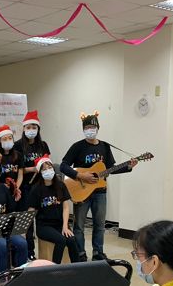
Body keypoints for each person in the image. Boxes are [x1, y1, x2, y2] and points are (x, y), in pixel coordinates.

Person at [60, 111, 138, 261]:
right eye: (87, 127)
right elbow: (63, 166)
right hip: (81, 191)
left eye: (93, 127)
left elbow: (111, 168)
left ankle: (98, 253)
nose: (90, 130)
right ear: (83, 129)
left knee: (100, 225)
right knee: (79, 226)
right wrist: (81, 175)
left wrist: (129, 166)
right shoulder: (77, 147)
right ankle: (80, 253)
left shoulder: (105, 147)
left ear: (98, 128)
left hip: (100, 192)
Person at [28, 155, 79, 264]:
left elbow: (65, 207)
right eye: (44, 169)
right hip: (44, 226)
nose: (48, 171)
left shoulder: (60, 185)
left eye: (49, 167)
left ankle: (77, 268)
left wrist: (65, 226)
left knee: (72, 239)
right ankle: (55, 269)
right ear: (40, 172)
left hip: (60, 224)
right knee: (61, 240)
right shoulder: (36, 189)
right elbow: (31, 211)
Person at [14, 110, 50, 259]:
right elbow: (17, 168)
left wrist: (43, 167)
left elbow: (47, 162)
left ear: (38, 129)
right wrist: (33, 169)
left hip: (41, 186)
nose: (31, 130)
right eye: (28, 127)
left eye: (34, 127)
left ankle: (44, 250)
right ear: (23, 129)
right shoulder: (17, 145)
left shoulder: (43, 145)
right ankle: (29, 252)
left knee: (41, 218)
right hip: (26, 187)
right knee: (27, 221)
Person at [0, 125, 23, 202]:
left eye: (10, 138)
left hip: (16, 190)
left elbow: (20, 175)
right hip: (0, 191)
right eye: (4, 139)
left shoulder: (18, 155)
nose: (8, 140)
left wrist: (16, 188)